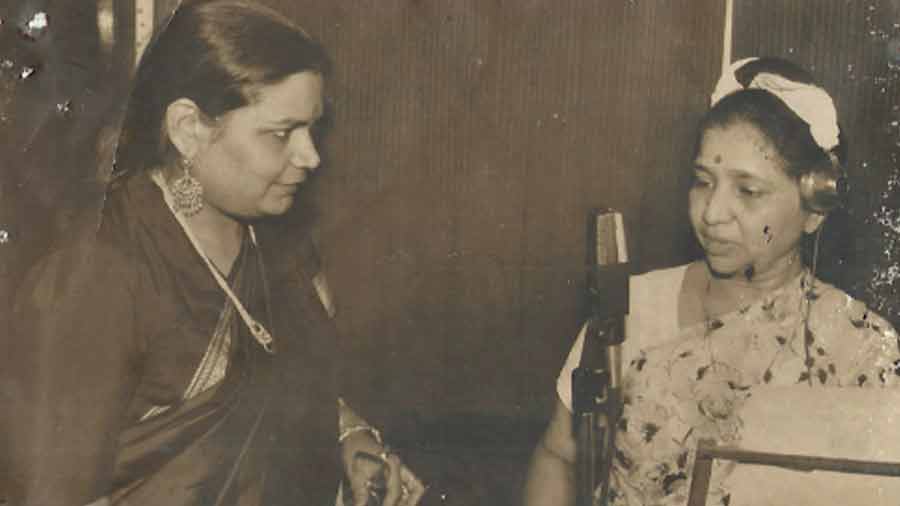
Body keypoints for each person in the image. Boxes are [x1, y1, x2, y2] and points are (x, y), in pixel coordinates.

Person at [1, 2, 424, 505]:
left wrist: (350, 437)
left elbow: (293, 386)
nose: (309, 156)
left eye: (312, 128)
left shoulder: (277, 236)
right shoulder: (98, 274)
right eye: (281, 133)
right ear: (188, 129)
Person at [523, 57, 900, 506]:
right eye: (703, 182)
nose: (712, 213)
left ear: (815, 207)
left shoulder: (860, 347)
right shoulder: (631, 307)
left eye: (748, 190)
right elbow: (559, 457)